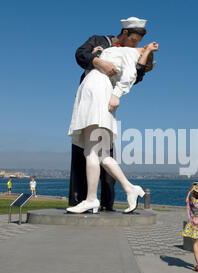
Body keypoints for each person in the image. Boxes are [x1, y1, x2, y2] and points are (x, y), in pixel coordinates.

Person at [66, 17, 158, 214]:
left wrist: (117, 94)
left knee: (91, 152)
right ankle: (130, 188)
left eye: (139, 44)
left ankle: (92, 199)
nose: (136, 45)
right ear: (125, 33)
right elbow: (81, 54)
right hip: (94, 92)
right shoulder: (106, 43)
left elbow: (134, 75)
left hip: (98, 92)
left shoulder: (131, 53)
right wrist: (98, 60)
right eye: (134, 40)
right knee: (102, 155)